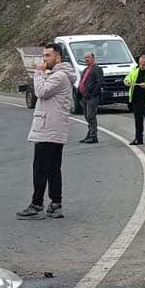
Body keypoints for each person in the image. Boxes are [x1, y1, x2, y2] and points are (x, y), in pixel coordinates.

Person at [19, 42, 75, 219]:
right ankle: (56, 203)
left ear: (57, 57)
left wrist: (38, 72)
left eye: (47, 56)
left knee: (40, 169)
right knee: (52, 168)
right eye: (43, 56)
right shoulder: (60, 75)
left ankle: (37, 205)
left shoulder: (59, 76)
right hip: (53, 128)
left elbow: (41, 91)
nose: (44, 59)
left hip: (48, 129)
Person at [76, 51, 104, 144]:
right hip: (84, 96)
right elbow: (82, 81)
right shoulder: (85, 69)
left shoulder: (97, 69)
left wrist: (93, 93)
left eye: (88, 57)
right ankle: (89, 133)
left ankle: (93, 136)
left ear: (93, 58)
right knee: (86, 116)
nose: (86, 59)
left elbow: (100, 82)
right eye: (85, 58)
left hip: (92, 96)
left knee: (91, 115)